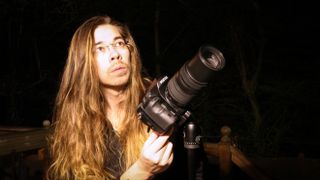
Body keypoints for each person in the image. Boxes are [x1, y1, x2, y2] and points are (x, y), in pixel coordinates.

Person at [46, 15, 174, 180]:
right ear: (84, 63)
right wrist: (142, 170)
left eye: (119, 43)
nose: (115, 54)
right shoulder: (75, 124)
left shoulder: (159, 104)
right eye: (100, 48)